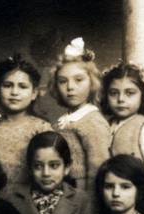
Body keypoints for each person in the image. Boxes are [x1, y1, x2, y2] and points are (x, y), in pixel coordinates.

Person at [101, 60, 144, 214]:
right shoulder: (103, 125)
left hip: (139, 211)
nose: (121, 99)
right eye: (114, 93)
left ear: (142, 95)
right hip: (108, 206)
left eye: (130, 93)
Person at [52, 37, 113, 194]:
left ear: (92, 83)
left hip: (82, 200)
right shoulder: (63, 122)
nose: (70, 87)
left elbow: (98, 174)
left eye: (79, 80)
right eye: (63, 81)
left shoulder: (92, 122)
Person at [0, 54, 52, 196]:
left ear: (34, 93)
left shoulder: (41, 128)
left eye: (22, 87)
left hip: (30, 203)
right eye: (7, 85)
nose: (14, 92)